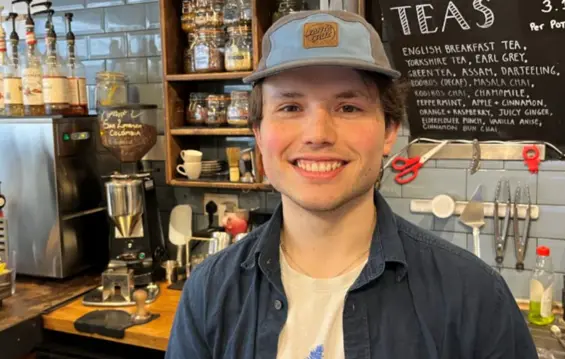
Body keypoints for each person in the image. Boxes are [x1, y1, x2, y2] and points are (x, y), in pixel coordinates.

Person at [165, 9, 537, 359]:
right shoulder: (208, 293)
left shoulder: (475, 298)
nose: (318, 134)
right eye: (291, 107)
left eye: (348, 107)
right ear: (259, 135)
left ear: (390, 131)